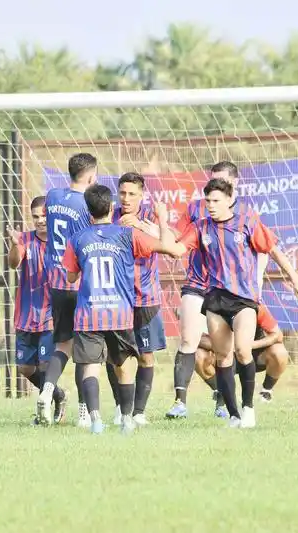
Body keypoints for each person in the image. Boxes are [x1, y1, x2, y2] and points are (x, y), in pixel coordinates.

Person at [173, 178, 298, 428]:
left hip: (244, 299)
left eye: (216, 201)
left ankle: (248, 408)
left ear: (229, 200)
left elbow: (273, 250)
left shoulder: (247, 222)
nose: (211, 206)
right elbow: (177, 249)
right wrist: (157, 225)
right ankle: (234, 415)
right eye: (208, 201)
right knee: (223, 357)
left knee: (242, 350)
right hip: (215, 299)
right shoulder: (201, 227)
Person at [61, 184, 180, 434]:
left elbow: (71, 278)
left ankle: (95, 420)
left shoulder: (78, 239)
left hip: (89, 314)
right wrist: (162, 220)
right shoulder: (128, 234)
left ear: (88, 211)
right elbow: (170, 248)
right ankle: (127, 418)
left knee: (91, 368)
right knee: (123, 367)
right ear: (112, 207)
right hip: (120, 313)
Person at [166, 161, 270, 419]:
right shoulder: (197, 216)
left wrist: (259, 282)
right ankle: (183, 403)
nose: (212, 199)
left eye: (223, 183)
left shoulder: (247, 216)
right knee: (193, 342)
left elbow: (267, 249)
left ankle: (235, 406)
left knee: (239, 350)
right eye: (212, 184)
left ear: (233, 188)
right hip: (202, 287)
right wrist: (156, 225)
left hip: (239, 294)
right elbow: (177, 243)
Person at [37, 153, 98, 427]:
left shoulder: (51, 197)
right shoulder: (87, 204)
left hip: (56, 283)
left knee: (62, 345)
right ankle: (84, 412)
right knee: (84, 350)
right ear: (91, 177)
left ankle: (48, 389)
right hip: (80, 283)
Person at [105, 172, 166, 426]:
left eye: (132, 194)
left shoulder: (151, 216)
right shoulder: (109, 214)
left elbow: (168, 241)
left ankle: (139, 412)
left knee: (145, 356)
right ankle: (121, 407)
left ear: (142, 195)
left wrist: (139, 225)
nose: (126, 199)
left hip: (146, 296)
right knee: (114, 357)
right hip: (116, 297)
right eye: (122, 193)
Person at [7, 195, 68, 424]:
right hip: (25, 315)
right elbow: (13, 263)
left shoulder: (60, 242)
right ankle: (58, 395)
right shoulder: (24, 239)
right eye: (36, 217)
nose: (41, 220)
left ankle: (46, 413)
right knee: (25, 368)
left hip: (50, 316)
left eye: (45, 215)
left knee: (45, 364)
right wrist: (14, 245)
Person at [194, 302, 288, 415]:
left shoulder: (255, 306)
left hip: (253, 353)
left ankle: (266, 392)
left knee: (280, 352)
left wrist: (250, 345)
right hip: (223, 354)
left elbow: (277, 335)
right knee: (198, 355)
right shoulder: (211, 305)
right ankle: (221, 391)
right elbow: (194, 338)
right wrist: (226, 346)